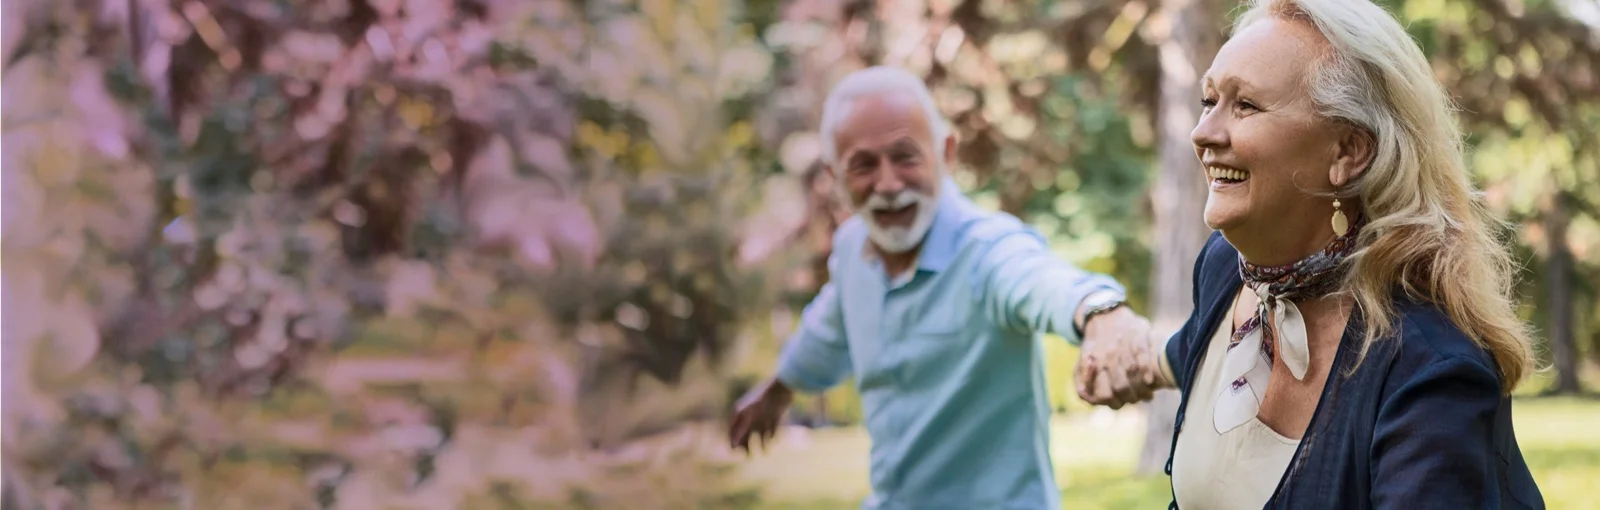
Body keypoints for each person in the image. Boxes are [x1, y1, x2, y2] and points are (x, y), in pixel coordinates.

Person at [1075, 0, 1546, 508]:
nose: (1203, 132)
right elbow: (1186, 350)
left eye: (1246, 106)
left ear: (1348, 152)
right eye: (1209, 100)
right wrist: (1112, 336)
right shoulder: (1228, 272)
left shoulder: (1431, 372)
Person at [726, 66, 1161, 510]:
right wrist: (780, 385)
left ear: (946, 153)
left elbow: (1040, 280)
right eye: (863, 165)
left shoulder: (986, 249)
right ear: (834, 177)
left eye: (905, 156)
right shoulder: (853, 251)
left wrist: (1101, 312)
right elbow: (827, 326)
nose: (889, 184)